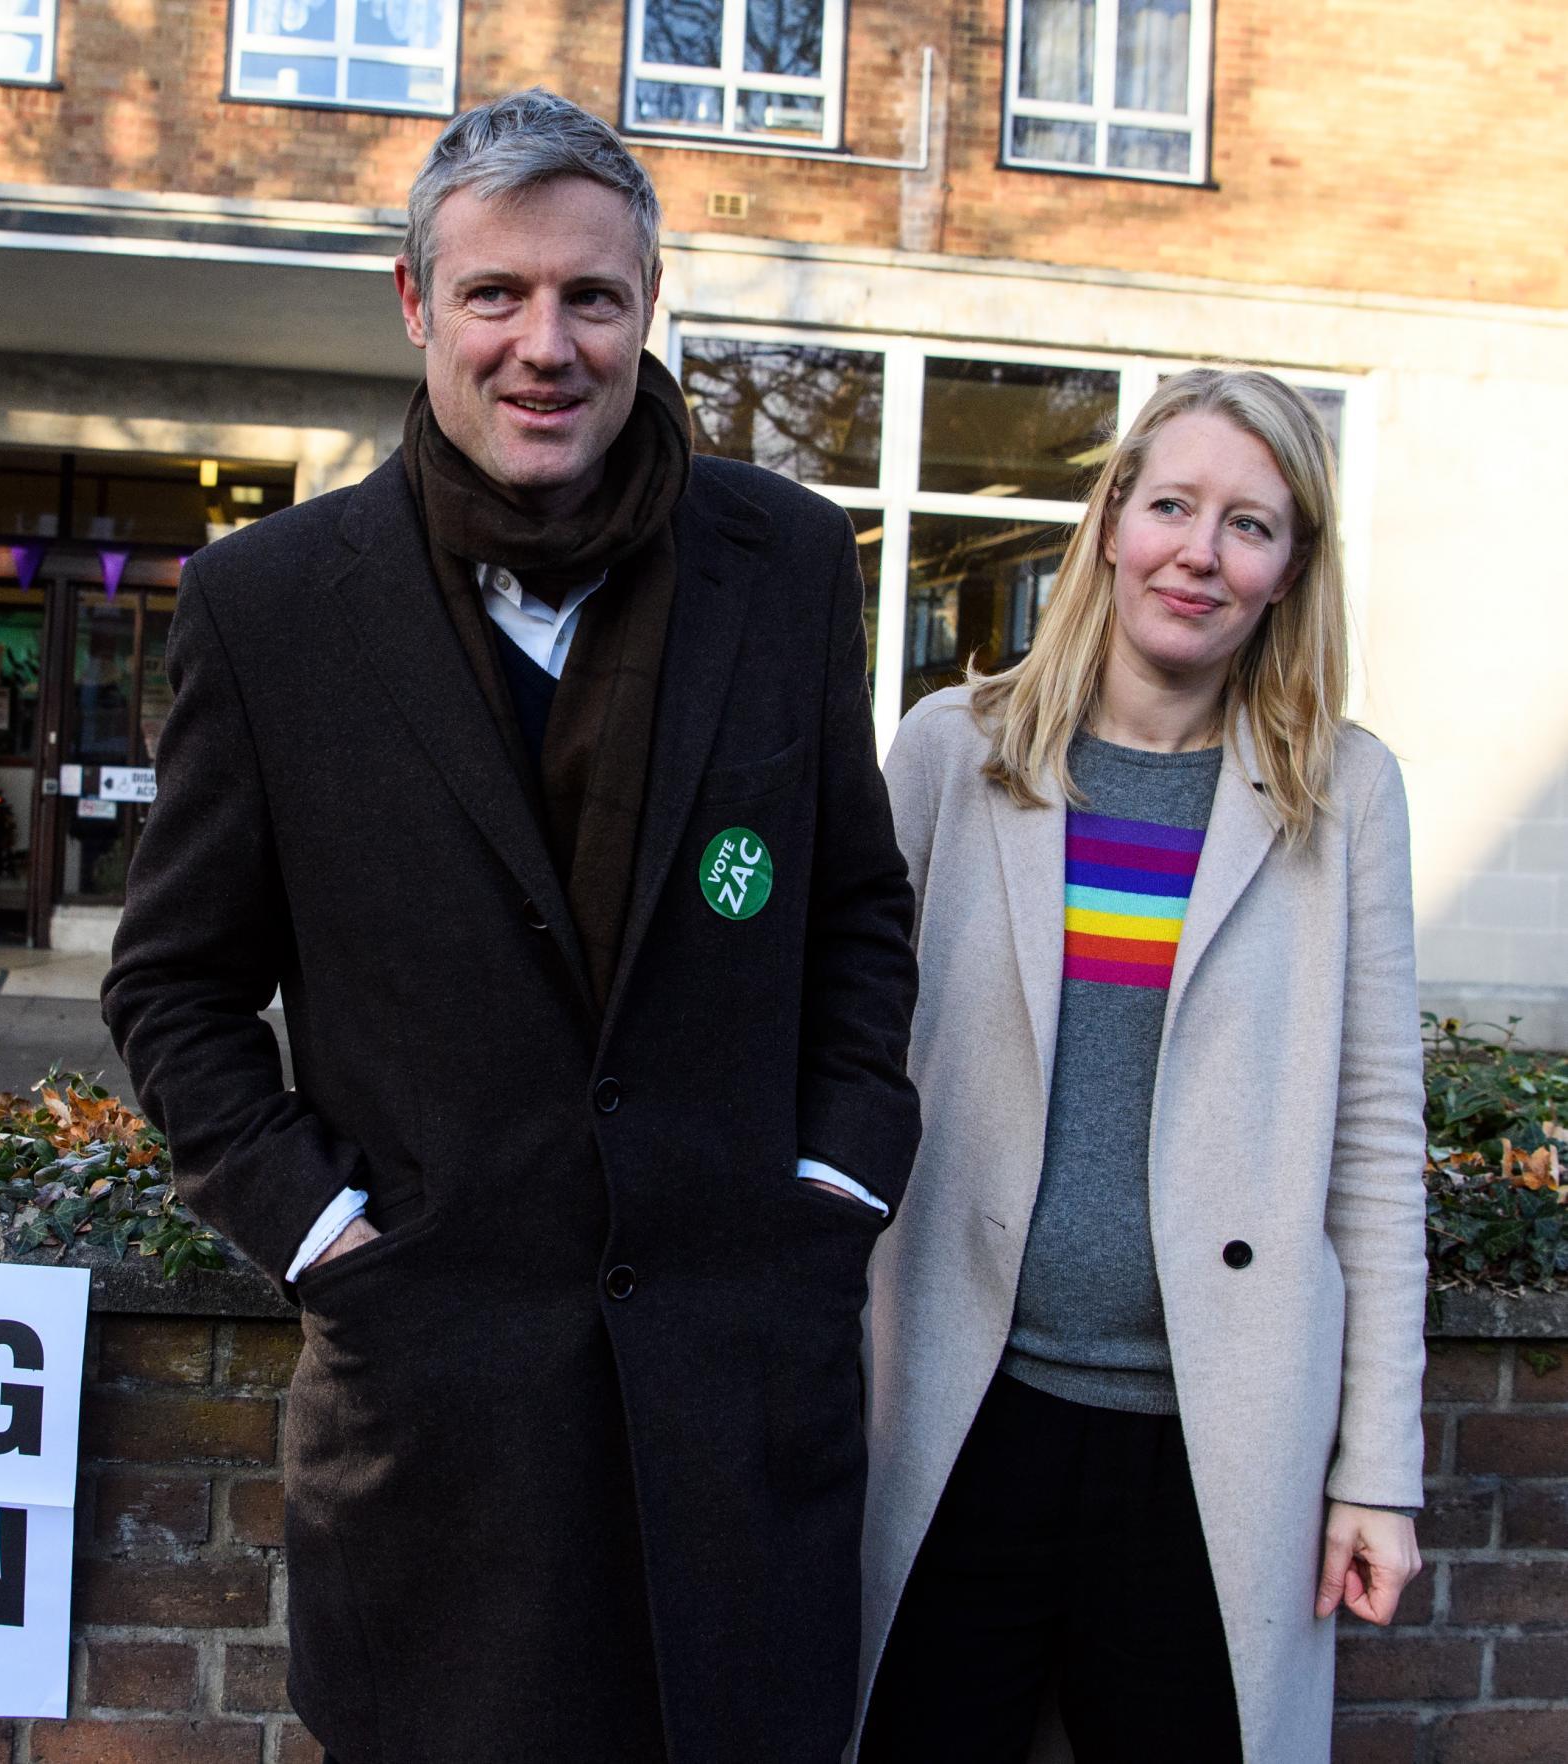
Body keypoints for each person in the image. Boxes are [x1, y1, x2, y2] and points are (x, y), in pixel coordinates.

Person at [103, 89, 919, 1764]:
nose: (545, 344)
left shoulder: (783, 560)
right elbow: (175, 990)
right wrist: (326, 1234)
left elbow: (851, 913)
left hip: (736, 1398)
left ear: (645, 308)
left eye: (591, 297)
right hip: (438, 1420)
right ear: (417, 304)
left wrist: (835, 1180)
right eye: (496, 294)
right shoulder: (268, 606)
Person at [855, 369, 1426, 1763]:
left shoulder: (1342, 794)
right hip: (957, 1416)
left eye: (1250, 525)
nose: (1201, 553)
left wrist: (1377, 1473)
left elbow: (1375, 1138)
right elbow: (844, 1056)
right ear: (1111, 522)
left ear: (1292, 569)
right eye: (1172, 505)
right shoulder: (952, 754)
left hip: (1218, 1452)